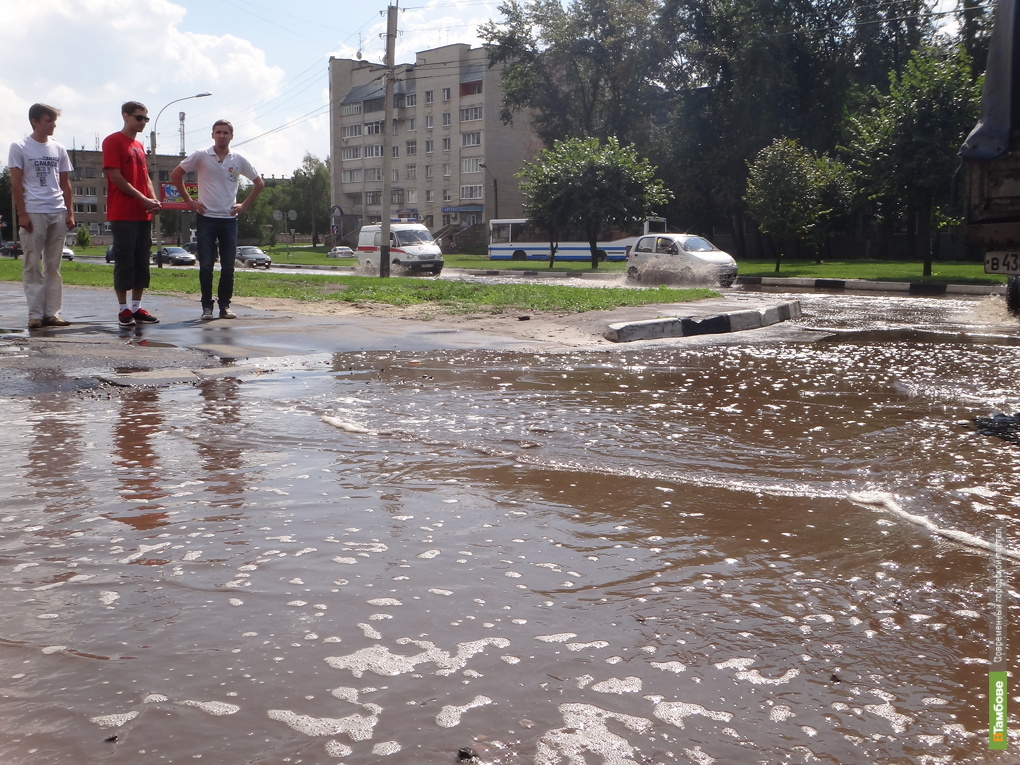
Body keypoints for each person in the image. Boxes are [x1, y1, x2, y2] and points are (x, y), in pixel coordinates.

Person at [171, 120, 264, 320]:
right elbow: (176, 174)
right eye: (218, 132)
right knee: (206, 265)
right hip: (206, 217)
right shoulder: (201, 156)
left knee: (228, 266)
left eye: (226, 132)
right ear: (212, 135)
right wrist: (189, 201)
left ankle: (225, 306)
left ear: (232, 136)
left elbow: (258, 183)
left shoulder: (238, 159)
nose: (222, 136)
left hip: (229, 219)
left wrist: (244, 205)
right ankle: (206, 306)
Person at [8, 103, 75, 329]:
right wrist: (22, 213)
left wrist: (70, 212)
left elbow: (65, 184)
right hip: (34, 211)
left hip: (57, 211)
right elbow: (16, 183)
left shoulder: (59, 149)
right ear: (35, 121)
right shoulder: (20, 146)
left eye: (54, 121)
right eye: (48, 120)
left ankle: (52, 314)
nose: (53, 125)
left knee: (53, 266)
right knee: (32, 265)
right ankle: (35, 315)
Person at [103, 101, 161, 327]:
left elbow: (145, 176)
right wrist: (143, 199)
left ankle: (136, 307)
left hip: (142, 213)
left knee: (141, 261)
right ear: (125, 116)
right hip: (123, 212)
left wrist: (153, 199)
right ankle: (123, 309)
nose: (143, 122)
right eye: (139, 118)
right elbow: (116, 177)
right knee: (124, 260)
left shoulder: (139, 145)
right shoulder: (113, 141)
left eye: (145, 118)